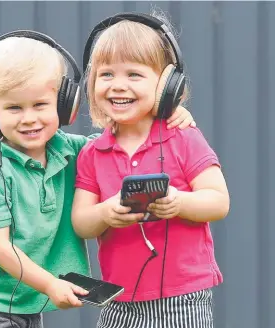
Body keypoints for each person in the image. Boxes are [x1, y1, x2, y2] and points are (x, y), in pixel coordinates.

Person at [0, 30, 197, 328]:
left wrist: (164, 114)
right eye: (13, 108)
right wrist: (51, 284)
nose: (28, 118)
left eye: (40, 105)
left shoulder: (75, 152)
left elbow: (120, 145)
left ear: (65, 106)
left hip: (25, 301)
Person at [72, 12, 230, 328]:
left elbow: (218, 201)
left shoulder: (184, 137)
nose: (118, 86)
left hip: (184, 298)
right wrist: (106, 213)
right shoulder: (93, 152)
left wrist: (180, 202)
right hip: (118, 301)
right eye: (106, 75)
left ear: (167, 84)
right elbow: (81, 222)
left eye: (134, 75)